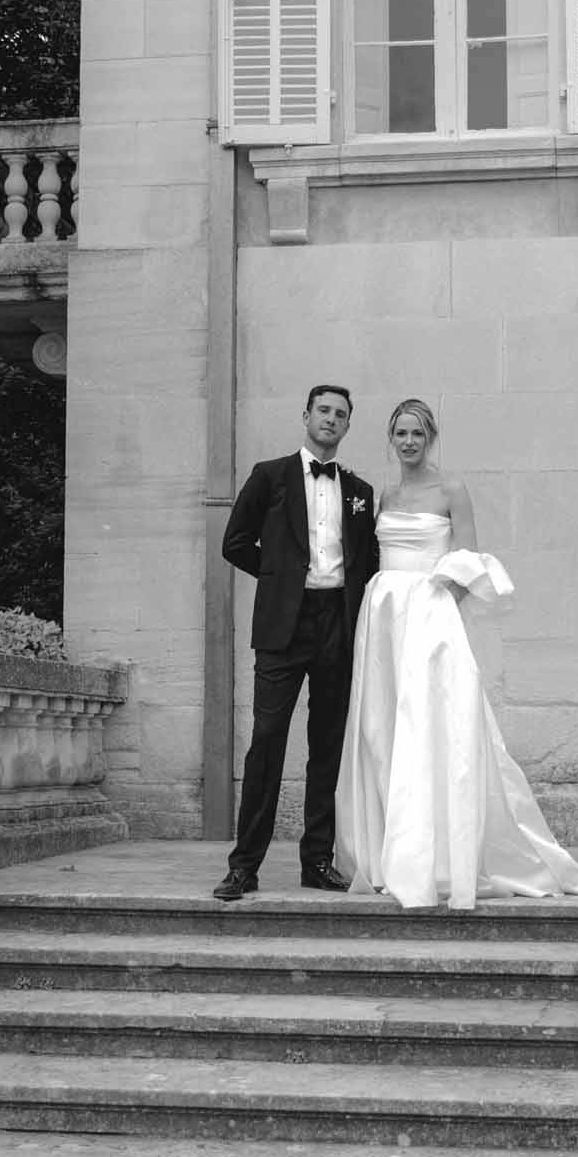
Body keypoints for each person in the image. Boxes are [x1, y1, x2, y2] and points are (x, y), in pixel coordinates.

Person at [335, 398, 578, 910]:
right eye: (400, 433)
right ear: (391, 439)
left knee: (435, 726)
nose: (408, 441)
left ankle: (437, 856)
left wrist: (436, 610)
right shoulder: (383, 493)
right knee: (382, 729)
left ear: (430, 437)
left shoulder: (452, 489)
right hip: (383, 618)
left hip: (430, 617)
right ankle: (393, 851)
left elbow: (468, 561)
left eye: (417, 433)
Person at [215, 383, 379, 901]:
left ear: (348, 426)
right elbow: (234, 543)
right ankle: (244, 866)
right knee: (267, 742)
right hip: (284, 625)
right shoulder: (269, 476)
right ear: (305, 415)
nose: (331, 419)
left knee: (327, 747)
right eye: (324, 411)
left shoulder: (360, 492)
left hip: (338, 623)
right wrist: (279, 578)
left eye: (341, 415)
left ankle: (317, 861)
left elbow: (367, 561)